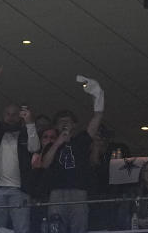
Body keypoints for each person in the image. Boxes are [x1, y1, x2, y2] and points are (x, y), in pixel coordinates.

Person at [40, 76, 105, 233]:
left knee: (79, 227)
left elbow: (97, 118)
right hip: (56, 191)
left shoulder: (81, 140)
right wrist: (57, 143)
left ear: (74, 124)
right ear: (56, 126)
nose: (65, 124)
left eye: (68, 121)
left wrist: (97, 94)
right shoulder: (50, 144)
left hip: (78, 190)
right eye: (61, 122)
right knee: (55, 227)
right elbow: (45, 164)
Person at [0, 66, 39, 233]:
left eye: (15, 114)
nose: (11, 117)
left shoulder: (25, 132)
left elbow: (35, 148)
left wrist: (30, 123)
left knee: (22, 229)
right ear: (3, 115)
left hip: (20, 191)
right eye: (7, 113)